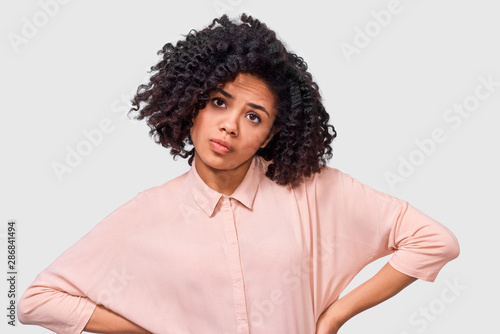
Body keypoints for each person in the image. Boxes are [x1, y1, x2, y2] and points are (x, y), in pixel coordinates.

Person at [18, 14, 459, 334]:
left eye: (254, 116)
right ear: (191, 107)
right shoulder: (147, 213)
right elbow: (38, 302)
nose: (230, 124)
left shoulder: (312, 190)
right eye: (218, 102)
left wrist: (335, 316)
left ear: (268, 136)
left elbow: (433, 241)